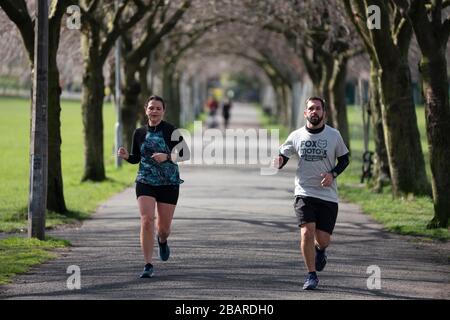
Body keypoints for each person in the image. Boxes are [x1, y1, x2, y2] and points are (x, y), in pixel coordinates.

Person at [273, 97, 350, 290]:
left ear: (324, 113)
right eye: (311, 109)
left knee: (323, 239)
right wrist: (279, 161)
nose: (314, 112)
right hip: (304, 192)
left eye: (318, 108)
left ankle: (320, 250)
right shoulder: (296, 135)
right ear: (305, 113)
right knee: (306, 232)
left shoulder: (334, 135)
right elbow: (283, 153)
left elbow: (344, 160)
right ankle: (311, 275)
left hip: (327, 195)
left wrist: (333, 174)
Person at [118, 95, 190, 278]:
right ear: (146, 110)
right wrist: (127, 156)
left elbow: (185, 154)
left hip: (168, 183)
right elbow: (136, 158)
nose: (154, 111)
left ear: (163, 111)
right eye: (151, 108)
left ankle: (162, 240)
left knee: (164, 229)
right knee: (146, 220)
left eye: (158, 108)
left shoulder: (171, 131)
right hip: (145, 181)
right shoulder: (139, 133)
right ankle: (148, 264)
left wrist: (167, 157)